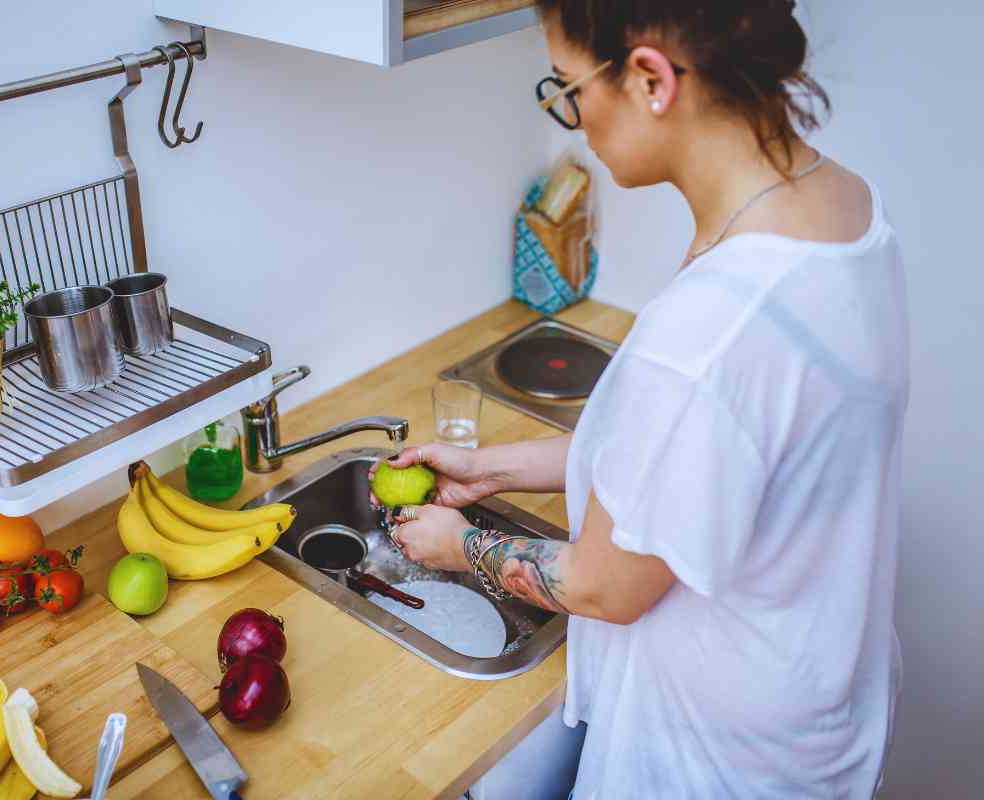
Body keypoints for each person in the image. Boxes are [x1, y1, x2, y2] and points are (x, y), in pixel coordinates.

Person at [371, 1, 908, 796]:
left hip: (713, 761)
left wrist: (460, 547)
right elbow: (693, 464)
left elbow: (604, 584)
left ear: (651, 78)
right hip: (812, 710)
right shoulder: (841, 209)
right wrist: (491, 470)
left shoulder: (714, 325)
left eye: (568, 87)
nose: (573, 116)